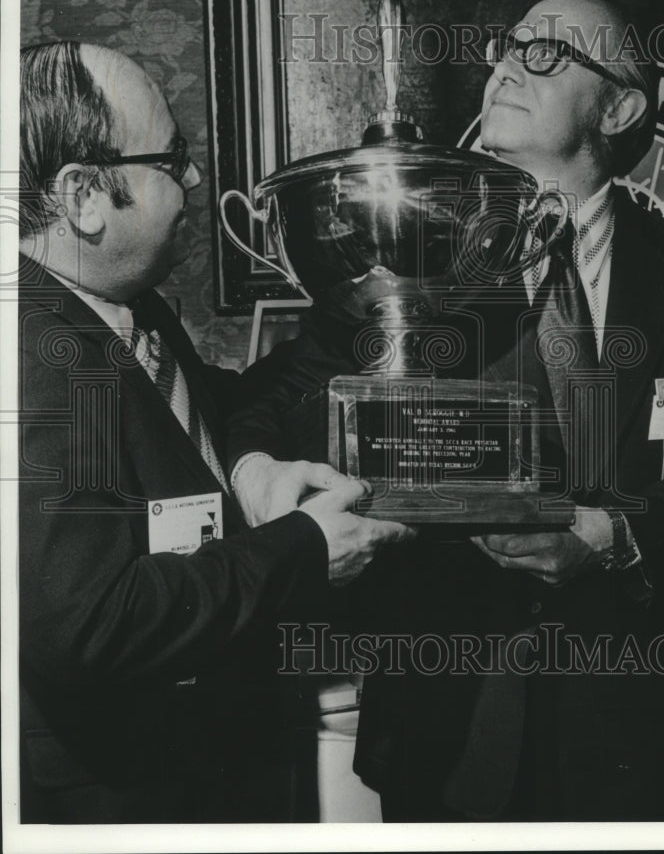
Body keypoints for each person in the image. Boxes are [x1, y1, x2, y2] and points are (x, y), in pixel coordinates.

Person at [226, 0, 664, 822]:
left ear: (621, 106)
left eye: (544, 54)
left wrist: (614, 535)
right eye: (506, 46)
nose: (503, 65)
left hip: (630, 730)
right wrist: (257, 469)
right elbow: (269, 396)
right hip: (447, 721)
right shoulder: (414, 254)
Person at [17, 41, 411, 824]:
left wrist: (254, 461)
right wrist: (303, 548)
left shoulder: (120, 306)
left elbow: (207, 411)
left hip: (204, 762)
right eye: (173, 159)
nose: (194, 179)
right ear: (84, 196)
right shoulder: (37, 359)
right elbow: (91, 626)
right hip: (128, 800)